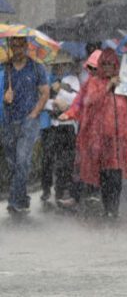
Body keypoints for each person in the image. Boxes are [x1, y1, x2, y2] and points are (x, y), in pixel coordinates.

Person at [60, 49, 127, 218]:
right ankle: (108, 205)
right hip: (100, 139)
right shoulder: (94, 82)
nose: (108, 67)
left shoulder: (125, 83)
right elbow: (88, 101)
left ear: (116, 65)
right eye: (105, 64)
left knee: (115, 174)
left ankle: (112, 209)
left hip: (119, 139)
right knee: (105, 174)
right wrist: (108, 86)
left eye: (111, 64)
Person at [3, 36, 50, 215]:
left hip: (29, 121)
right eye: (13, 45)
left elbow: (45, 93)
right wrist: (4, 97)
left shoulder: (36, 67)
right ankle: (22, 199)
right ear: (10, 46)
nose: (17, 49)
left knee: (22, 159)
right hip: (8, 122)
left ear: (26, 46)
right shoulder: (4, 68)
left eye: (20, 45)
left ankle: (14, 201)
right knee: (14, 163)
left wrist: (34, 114)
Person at [40, 57, 80, 204]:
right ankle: (46, 187)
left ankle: (62, 190)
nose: (59, 68)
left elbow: (77, 100)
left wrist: (62, 91)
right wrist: (53, 100)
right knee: (48, 159)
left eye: (62, 64)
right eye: (56, 65)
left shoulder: (73, 80)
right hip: (52, 125)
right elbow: (42, 102)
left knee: (66, 161)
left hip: (68, 125)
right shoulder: (47, 79)